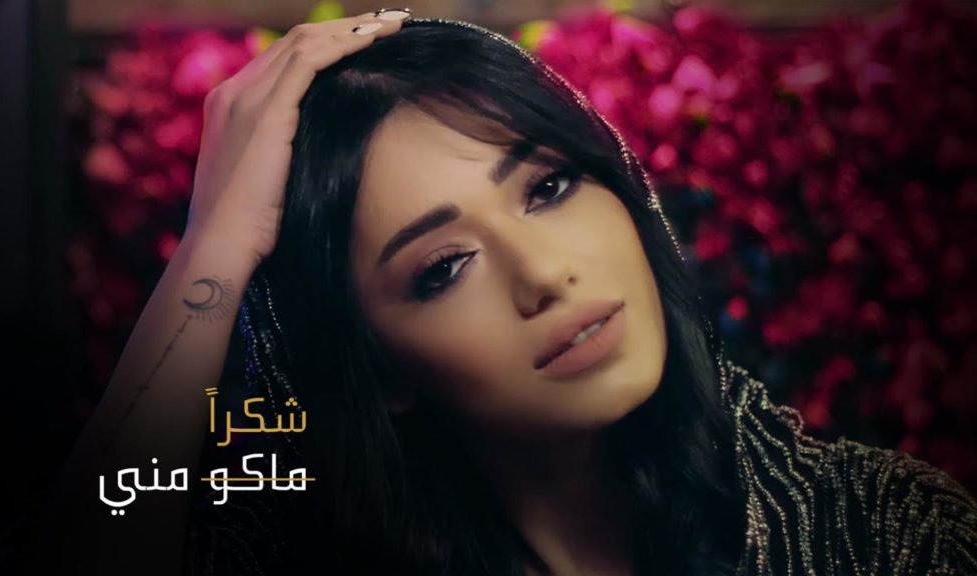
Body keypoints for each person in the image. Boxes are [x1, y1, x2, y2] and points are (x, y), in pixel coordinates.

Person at [48, 8, 977, 576]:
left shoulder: (884, 531)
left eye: (548, 187)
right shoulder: (296, 553)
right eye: (442, 268)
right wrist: (212, 248)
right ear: (387, 373)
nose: (543, 276)